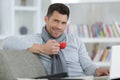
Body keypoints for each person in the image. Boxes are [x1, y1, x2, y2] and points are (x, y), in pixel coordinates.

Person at [3, 3, 109, 77]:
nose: (59, 26)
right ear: (46, 19)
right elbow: (7, 42)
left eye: (63, 23)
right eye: (56, 21)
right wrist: (42, 48)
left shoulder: (75, 40)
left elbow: (88, 65)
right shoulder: (36, 40)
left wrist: (97, 70)